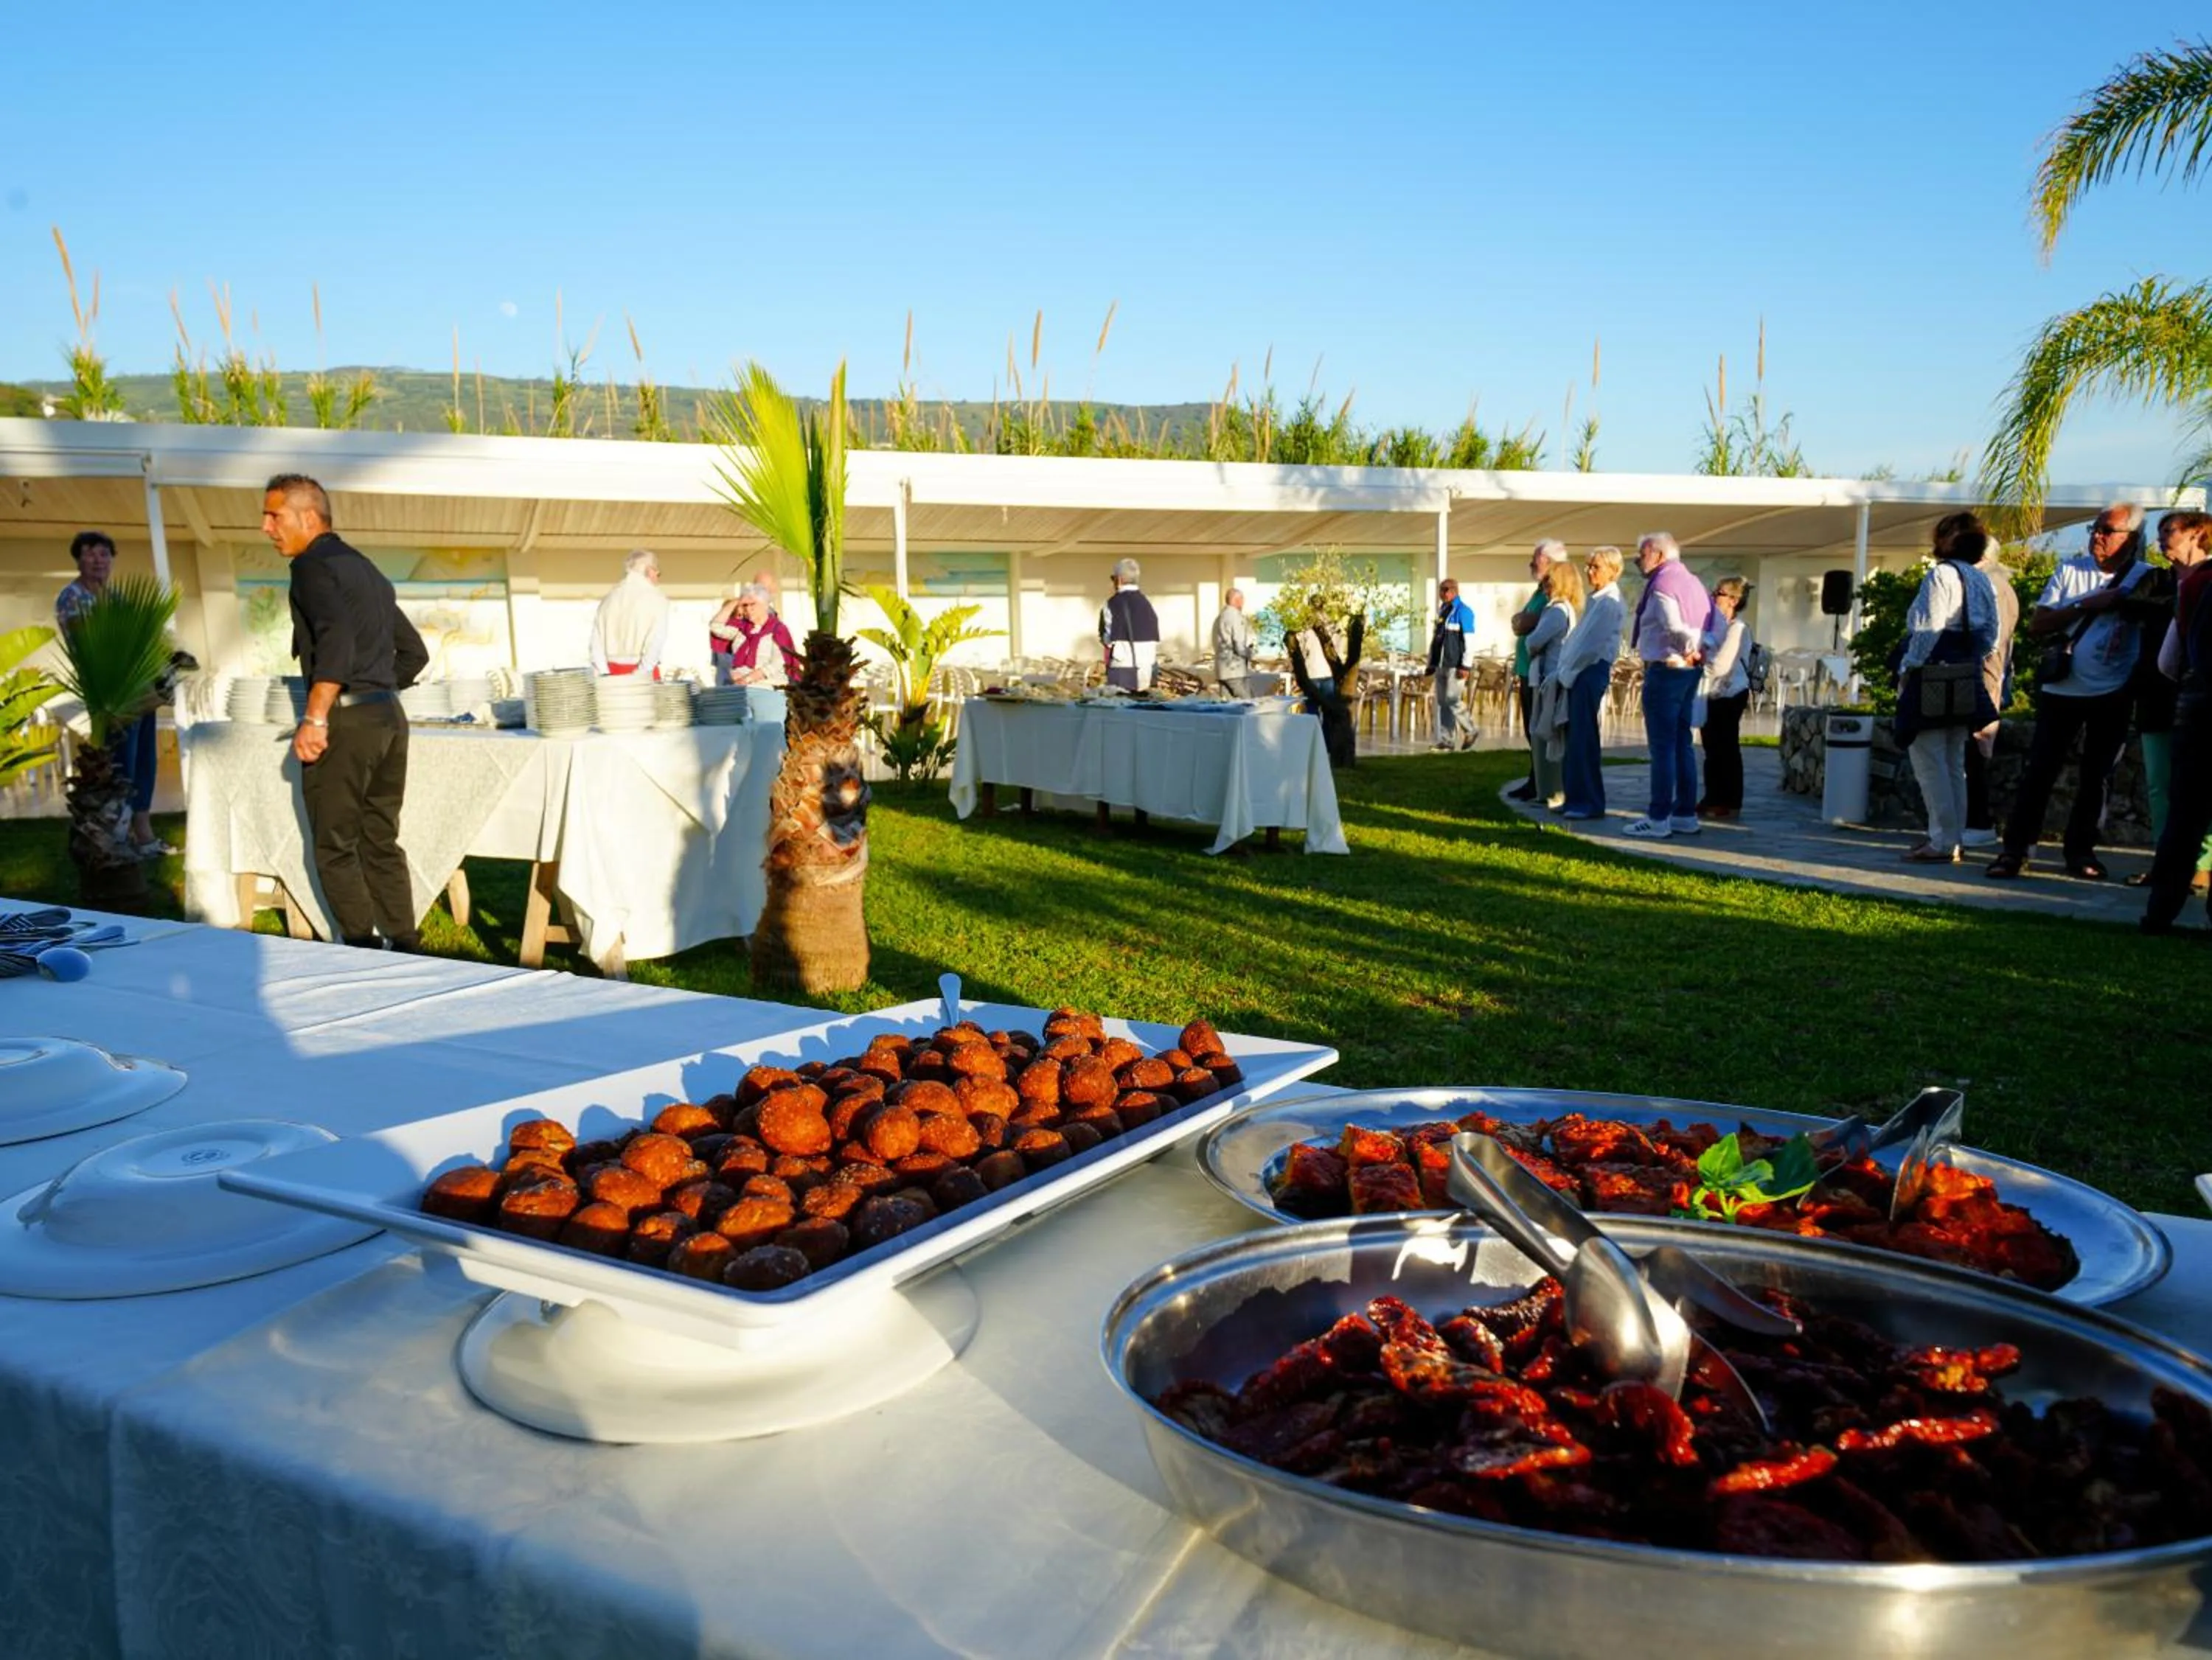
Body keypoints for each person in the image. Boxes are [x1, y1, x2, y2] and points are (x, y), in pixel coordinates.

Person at [265, 472, 428, 953]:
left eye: (274, 515)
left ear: (309, 518)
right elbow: (414, 654)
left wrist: (319, 716)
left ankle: (360, 949)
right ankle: (408, 944)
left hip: (347, 721)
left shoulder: (311, 565)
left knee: (335, 845)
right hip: (388, 720)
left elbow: (334, 639)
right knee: (381, 838)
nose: (266, 527)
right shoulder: (367, 570)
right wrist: (376, 691)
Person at [1986, 503, 2154, 880]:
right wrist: (2086, 604)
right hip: (2062, 689)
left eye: (2107, 531)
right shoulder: (2071, 570)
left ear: (2131, 539)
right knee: (2040, 771)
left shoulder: (2146, 578)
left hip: (2113, 690)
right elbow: (2038, 623)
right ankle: (2015, 850)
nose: (2098, 536)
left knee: (2097, 777)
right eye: (2095, 529)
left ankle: (2081, 852)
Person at [55, 529, 173, 859]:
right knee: (122, 765)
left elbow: (143, 640)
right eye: (90, 553)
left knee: (145, 761)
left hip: (140, 692)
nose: (98, 560)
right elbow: (87, 642)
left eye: (104, 554)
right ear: (78, 559)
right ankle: (116, 836)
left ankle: (144, 833)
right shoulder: (71, 597)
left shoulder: (118, 598)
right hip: (110, 695)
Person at [1894, 516, 2001, 864]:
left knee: (1929, 759)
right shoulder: (1981, 578)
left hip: (1933, 671)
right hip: (1965, 670)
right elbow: (1991, 635)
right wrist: (1972, 660)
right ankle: (1953, 838)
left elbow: (1928, 628)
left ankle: (1942, 840)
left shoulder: (1941, 575)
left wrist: (1909, 667)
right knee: (1954, 759)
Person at [2138, 511, 2212, 927]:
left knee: (2184, 816)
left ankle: (2160, 912)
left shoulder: (2195, 586)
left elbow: (2168, 661)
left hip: (2196, 708)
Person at [1622, 533, 1711, 840]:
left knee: (1662, 747)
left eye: (1641, 553)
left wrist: (1689, 647)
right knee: (1682, 743)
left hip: (1667, 668)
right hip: (1688, 671)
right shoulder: (1693, 582)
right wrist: (1703, 648)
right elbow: (1716, 625)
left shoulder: (1663, 585)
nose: (1637, 560)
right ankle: (1685, 813)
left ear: (1658, 555)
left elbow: (1673, 627)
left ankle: (1659, 817)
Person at [1553, 546, 1627, 820]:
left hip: (1588, 671)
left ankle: (1589, 801)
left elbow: (1590, 646)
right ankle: (1574, 796)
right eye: (1588, 566)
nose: (1589, 572)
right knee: (1575, 738)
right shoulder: (1597, 600)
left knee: (1584, 739)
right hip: (1577, 672)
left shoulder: (1609, 603)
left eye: (1595, 567)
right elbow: (1578, 640)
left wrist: (1568, 672)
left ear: (1613, 571)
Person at [1960, 532, 2020, 849]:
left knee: (1974, 749)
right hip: (1989, 676)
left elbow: (1990, 640)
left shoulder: (1987, 584)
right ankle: (1974, 819)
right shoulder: (1997, 582)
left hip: (1982, 678)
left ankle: (1978, 821)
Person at [1506, 540, 1567, 799]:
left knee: (1540, 729)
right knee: (1532, 730)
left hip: (1540, 672)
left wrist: (1524, 622)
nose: (1531, 564)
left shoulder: (1554, 597)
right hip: (1527, 670)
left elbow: (1530, 626)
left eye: (1536, 560)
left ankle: (1542, 782)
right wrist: (1522, 622)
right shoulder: (1539, 591)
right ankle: (1536, 779)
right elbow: (1519, 621)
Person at [1523, 557, 1585, 806]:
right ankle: (1549, 790)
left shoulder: (1556, 610)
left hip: (1549, 680)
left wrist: (1530, 642)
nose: (1545, 587)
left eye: (1549, 582)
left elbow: (1533, 642)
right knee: (1548, 733)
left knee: (1544, 734)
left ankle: (1551, 791)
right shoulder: (1567, 609)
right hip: (1554, 678)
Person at [1694, 577, 1754, 819]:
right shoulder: (1715, 626)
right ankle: (1712, 795)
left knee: (1726, 746)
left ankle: (1729, 799)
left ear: (1734, 600)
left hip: (1731, 693)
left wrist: (1698, 660)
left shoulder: (1737, 629)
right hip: (1713, 692)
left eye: (1718, 593)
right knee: (1711, 746)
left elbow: (1722, 664)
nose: (1713, 598)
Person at [588, 548, 669, 679]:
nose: (658, 578)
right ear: (649, 571)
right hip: (643, 673)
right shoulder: (657, 599)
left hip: (611, 671)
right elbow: (656, 642)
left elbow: (595, 643)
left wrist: (604, 673)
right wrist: (641, 673)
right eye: (658, 573)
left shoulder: (609, 598)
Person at [1426, 578, 1479, 750]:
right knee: (1443, 702)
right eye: (1441, 590)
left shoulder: (1463, 611)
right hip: (1441, 664)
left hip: (1455, 665)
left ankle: (1471, 729)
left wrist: (1465, 665)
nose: (1443, 593)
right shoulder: (1443, 610)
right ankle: (1447, 742)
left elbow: (1469, 641)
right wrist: (1431, 662)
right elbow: (1437, 640)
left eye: (1446, 589)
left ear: (1455, 591)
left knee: (1452, 699)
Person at [714, 583, 797, 687]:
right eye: (745, 605)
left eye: (753, 604)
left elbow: (778, 664)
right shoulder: (741, 629)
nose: (748, 609)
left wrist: (747, 678)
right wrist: (734, 602)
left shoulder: (778, 630)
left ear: (765, 605)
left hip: (769, 688)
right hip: (740, 687)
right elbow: (716, 627)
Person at [1099, 557, 1159, 691]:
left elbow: (1107, 638)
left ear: (1119, 579)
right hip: (1147, 667)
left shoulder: (1112, 604)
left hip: (1123, 668)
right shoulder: (1147, 603)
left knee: (1121, 706)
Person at [1212, 587, 1259, 693]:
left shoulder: (1220, 617)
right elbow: (1239, 645)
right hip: (1235, 670)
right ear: (1237, 600)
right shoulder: (1235, 617)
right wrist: (1251, 653)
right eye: (1242, 600)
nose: (1243, 604)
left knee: (1229, 705)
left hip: (1222, 669)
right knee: (1248, 704)